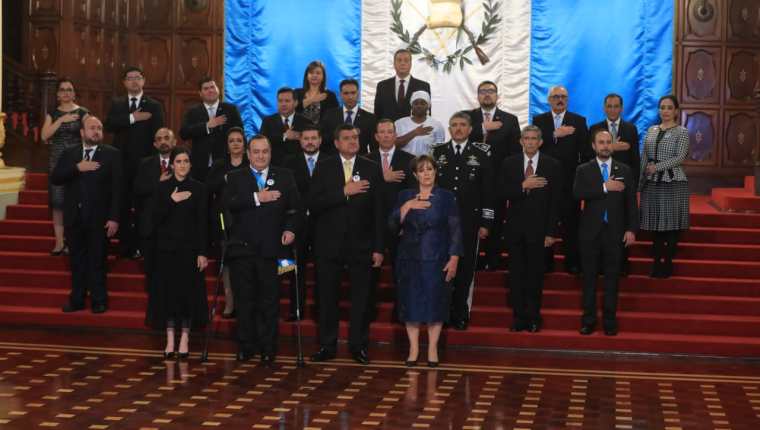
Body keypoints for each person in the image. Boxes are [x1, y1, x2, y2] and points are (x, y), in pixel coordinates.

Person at [309, 124, 384, 365]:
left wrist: (379, 247)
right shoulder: (323, 166)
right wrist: (344, 191)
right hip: (328, 246)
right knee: (327, 298)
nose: (353, 141)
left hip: (361, 245)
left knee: (361, 299)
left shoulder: (372, 168)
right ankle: (327, 345)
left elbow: (378, 213)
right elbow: (314, 204)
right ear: (337, 143)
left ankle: (358, 345)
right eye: (347, 138)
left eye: (355, 137)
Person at [225, 135, 301, 366]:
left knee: (270, 301)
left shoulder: (285, 176)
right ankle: (246, 346)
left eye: (265, 152)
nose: (260, 156)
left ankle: (268, 347)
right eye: (256, 152)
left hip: (274, 252)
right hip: (243, 251)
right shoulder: (235, 177)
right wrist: (259, 197)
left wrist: (291, 230)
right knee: (245, 301)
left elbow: (296, 209)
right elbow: (229, 204)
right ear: (248, 154)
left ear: (270, 153)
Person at [390, 154, 462, 367]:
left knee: (434, 304)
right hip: (409, 258)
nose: (426, 173)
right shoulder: (405, 195)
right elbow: (391, 226)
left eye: (430, 169)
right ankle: (413, 349)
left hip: (436, 257)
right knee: (410, 303)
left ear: (436, 172)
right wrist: (406, 207)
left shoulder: (446, 197)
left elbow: (456, 229)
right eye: (422, 170)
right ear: (415, 174)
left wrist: (454, 257)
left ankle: (432, 348)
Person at [50, 116, 122, 314]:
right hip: (74, 217)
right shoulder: (70, 153)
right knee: (77, 260)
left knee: (98, 260)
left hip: (100, 218)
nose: (97, 131)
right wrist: (76, 168)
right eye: (92, 128)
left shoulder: (112, 154)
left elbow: (118, 190)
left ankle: (99, 300)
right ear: (82, 132)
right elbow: (56, 178)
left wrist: (114, 217)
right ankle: (77, 299)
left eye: (99, 128)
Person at [432, 112, 494, 330]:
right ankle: (444, 311)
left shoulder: (482, 153)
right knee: (442, 267)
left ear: (470, 129)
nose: (458, 129)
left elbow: (489, 190)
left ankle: (460, 312)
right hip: (441, 222)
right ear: (449, 129)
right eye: (454, 125)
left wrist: (486, 223)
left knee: (466, 269)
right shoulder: (437, 152)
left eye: (462, 125)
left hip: (470, 222)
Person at [146, 146, 209, 360]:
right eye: (179, 161)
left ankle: (185, 338)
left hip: (189, 252)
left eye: (186, 161)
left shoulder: (199, 189)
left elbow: (203, 223)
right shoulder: (161, 189)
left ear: (190, 165)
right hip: (166, 251)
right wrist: (171, 202)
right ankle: (170, 339)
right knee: (168, 296)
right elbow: (152, 221)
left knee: (187, 296)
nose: (182, 165)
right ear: (171, 165)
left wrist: (202, 252)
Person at [574, 129, 638, 336]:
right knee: (589, 279)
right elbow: (577, 194)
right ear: (593, 146)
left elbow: (631, 203)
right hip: (590, 233)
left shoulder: (625, 170)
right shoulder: (584, 169)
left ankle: (610, 321)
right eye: (600, 142)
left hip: (615, 233)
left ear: (612, 145)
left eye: (608, 142)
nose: (604, 146)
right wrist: (604, 187)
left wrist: (631, 229)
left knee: (612, 279)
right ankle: (589, 320)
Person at [499, 125, 561, 333]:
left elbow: (555, 202)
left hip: (540, 231)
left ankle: (534, 317)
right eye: (527, 138)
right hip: (515, 230)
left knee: (535, 276)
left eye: (535, 138)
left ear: (541, 142)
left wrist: (551, 232)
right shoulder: (509, 163)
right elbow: (502, 193)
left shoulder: (551, 165)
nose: (531, 142)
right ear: (521, 141)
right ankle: (519, 317)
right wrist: (522, 186)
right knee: (516, 275)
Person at [105, 66, 164, 260]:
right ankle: (125, 246)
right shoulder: (117, 103)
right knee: (121, 204)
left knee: (143, 206)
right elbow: (110, 125)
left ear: (144, 81)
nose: (134, 81)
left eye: (137, 77)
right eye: (130, 78)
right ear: (124, 82)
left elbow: (159, 135)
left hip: (145, 165)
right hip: (120, 163)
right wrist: (133, 118)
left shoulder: (154, 105)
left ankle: (141, 245)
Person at [532, 85, 589, 275]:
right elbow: (532, 145)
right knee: (544, 221)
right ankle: (545, 262)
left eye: (563, 96)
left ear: (568, 99)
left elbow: (586, 152)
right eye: (555, 96)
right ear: (549, 100)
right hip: (543, 181)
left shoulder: (578, 121)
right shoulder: (539, 120)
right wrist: (554, 135)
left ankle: (572, 262)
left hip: (570, 181)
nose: (559, 99)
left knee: (571, 224)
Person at [466, 80, 521, 270]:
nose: (487, 94)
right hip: (471, 180)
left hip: (498, 180)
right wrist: (482, 128)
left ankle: (492, 258)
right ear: (477, 95)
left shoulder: (510, 120)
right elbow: (460, 138)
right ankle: (470, 258)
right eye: (483, 91)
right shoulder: (467, 117)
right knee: (471, 218)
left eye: (491, 91)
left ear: (497, 96)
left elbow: (515, 154)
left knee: (495, 220)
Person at [589, 93, 640, 276]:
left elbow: (635, 159)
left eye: (616, 106)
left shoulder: (630, 129)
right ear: (604, 108)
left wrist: (633, 185)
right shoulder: (595, 128)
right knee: (600, 227)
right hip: (599, 185)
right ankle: (599, 266)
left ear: (621, 108)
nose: (612, 109)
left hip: (622, 186)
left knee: (621, 223)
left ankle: (621, 267)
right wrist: (613, 147)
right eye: (609, 106)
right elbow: (589, 159)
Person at [639, 95, 690, 279]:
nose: (665, 111)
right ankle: (656, 263)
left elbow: (680, 157)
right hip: (652, 182)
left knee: (670, 226)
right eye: (662, 107)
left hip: (673, 182)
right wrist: (640, 180)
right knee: (656, 225)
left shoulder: (681, 131)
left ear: (676, 111)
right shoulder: (651, 130)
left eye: (669, 108)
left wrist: (657, 167)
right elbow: (644, 155)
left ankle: (667, 263)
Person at [41, 78, 89, 256]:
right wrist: (62, 120)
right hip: (57, 162)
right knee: (58, 203)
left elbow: (90, 135)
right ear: (58, 94)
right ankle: (59, 242)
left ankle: (75, 240)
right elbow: (44, 136)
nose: (66, 92)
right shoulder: (52, 114)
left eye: (69, 89)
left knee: (77, 201)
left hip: (77, 161)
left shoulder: (83, 112)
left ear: (74, 93)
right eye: (63, 90)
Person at [206, 127, 249, 318]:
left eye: (239, 140)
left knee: (246, 264)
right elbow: (209, 188)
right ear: (227, 145)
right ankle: (230, 303)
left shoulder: (251, 163)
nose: (236, 144)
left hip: (248, 219)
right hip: (225, 220)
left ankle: (245, 303)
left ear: (244, 143)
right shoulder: (219, 165)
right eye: (232, 140)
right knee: (228, 263)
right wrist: (225, 178)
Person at [282, 125, 323, 322]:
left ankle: (319, 310)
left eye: (313, 138)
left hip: (323, 224)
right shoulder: (289, 163)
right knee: (293, 269)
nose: (310, 142)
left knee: (322, 271)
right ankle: (295, 308)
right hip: (296, 225)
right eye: (306, 138)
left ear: (320, 140)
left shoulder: (330, 161)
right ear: (300, 141)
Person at [133, 128, 177, 292]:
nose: (163, 141)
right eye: (159, 139)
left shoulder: (182, 161)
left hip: (175, 226)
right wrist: (158, 183)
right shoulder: (145, 164)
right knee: (151, 272)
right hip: (151, 226)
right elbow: (138, 189)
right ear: (154, 144)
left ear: (174, 142)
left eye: (167, 138)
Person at [367, 119, 416, 266]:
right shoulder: (366, 160)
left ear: (395, 135)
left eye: (390, 132)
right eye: (382, 132)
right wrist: (383, 178)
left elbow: (413, 194)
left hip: (400, 224)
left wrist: (406, 223)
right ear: (376, 137)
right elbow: (364, 191)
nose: (386, 136)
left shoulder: (409, 160)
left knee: (400, 272)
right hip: (372, 224)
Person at [179, 76, 243, 181]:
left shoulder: (230, 109)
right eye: (206, 88)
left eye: (212, 87)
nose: (210, 90)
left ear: (218, 89)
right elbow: (183, 133)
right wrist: (206, 126)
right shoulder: (193, 111)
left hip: (226, 163)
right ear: (200, 93)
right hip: (200, 166)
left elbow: (240, 132)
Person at [321, 78, 377, 155]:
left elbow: (374, 148)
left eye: (353, 93)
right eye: (346, 93)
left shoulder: (370, 118)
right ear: (341, 94)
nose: (350, 97)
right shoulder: (330, 115)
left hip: (360, 163)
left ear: (358, 94)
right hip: (334, 162)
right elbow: (324, 142)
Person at [374, 48, 431, 121]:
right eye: (399, 60)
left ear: (411, 64)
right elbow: (377, 114)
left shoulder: (423, 86)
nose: (402, 63)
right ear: (394, 64)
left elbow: (427, 114)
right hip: (389, 131)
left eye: (406, 60)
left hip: (414, 130)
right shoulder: (382, 86)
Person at [259, 87, 311, 167]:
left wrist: (300, 136)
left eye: (287, 101)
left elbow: (311, 143)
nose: (283, 104)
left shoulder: (306, 122)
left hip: (299, 167)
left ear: (296, 103)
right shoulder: (268, 121)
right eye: (280, 101)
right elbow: (262, 142)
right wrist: (284, 136)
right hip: (274, 166)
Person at [394, 91, 446, 156]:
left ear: (428, 106)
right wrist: (414, 133)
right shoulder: (399, 123)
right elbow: (392, 145)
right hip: (403, 163)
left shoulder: (436, 125)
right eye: (416, 103)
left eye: (423, 103)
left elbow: (440, 150)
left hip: (426, 164)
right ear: (411, 105)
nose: (419, 106)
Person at [294, 60, 339, 125]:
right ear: (306, 75)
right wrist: (312, 99)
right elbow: (291, 111)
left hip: (322, 133)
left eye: (318, 73)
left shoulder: (330, 95)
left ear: (323, 76)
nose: (314, 75)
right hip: (299, 133)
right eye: (311, 73)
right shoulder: (297, 93)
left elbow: (334, 117)